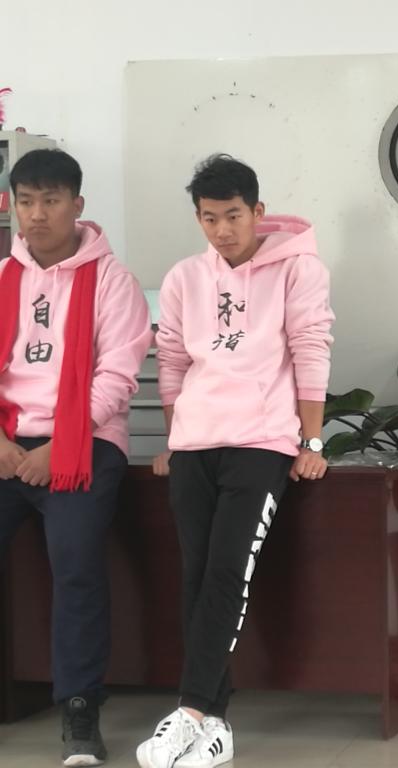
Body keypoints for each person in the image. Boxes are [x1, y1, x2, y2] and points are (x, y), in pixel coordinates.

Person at [136, 154, 334, 768]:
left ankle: (190, 712)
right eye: (209, 218)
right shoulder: (184, 277)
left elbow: (310, 346)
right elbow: (172, 360)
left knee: (227, 574)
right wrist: (175, 438)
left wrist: (312, 443)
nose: (221, 229)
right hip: (195, 445)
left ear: (257, 212)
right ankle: (214, 725)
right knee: (197, 579)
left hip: (260, 443)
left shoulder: (299, 269)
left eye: (232, 216)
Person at [0, 148, 152, 766]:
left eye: (51, 200)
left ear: (77, 205)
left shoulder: (112, 281)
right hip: (7, 444)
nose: (37, 214)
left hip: (84, 445)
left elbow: (116, 378)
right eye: (26, 201)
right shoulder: (2, 277)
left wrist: (58, 446)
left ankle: (80, 708)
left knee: (76, 564)